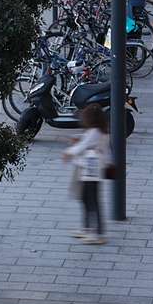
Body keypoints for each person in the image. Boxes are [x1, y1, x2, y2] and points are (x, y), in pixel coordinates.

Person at [62, 104, 109, 245]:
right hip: (90, 169)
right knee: (87, 199)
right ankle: (88, 228)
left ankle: (97, 233)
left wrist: (68, 152)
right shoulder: (99, 131)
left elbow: (83, 146)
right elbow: (86, 141)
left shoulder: (95, 132)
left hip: (90, 170)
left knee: (91, 200)